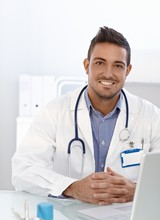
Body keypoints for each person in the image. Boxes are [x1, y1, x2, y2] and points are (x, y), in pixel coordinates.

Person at [12, 26, 160, 205]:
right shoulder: (54, 112)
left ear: (127, 70)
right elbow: (23, 170)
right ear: (86, 65)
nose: (108, 73)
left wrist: (136, 191)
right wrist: (72, 188)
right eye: (100, 63)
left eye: (118, 65)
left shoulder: (151, 116)